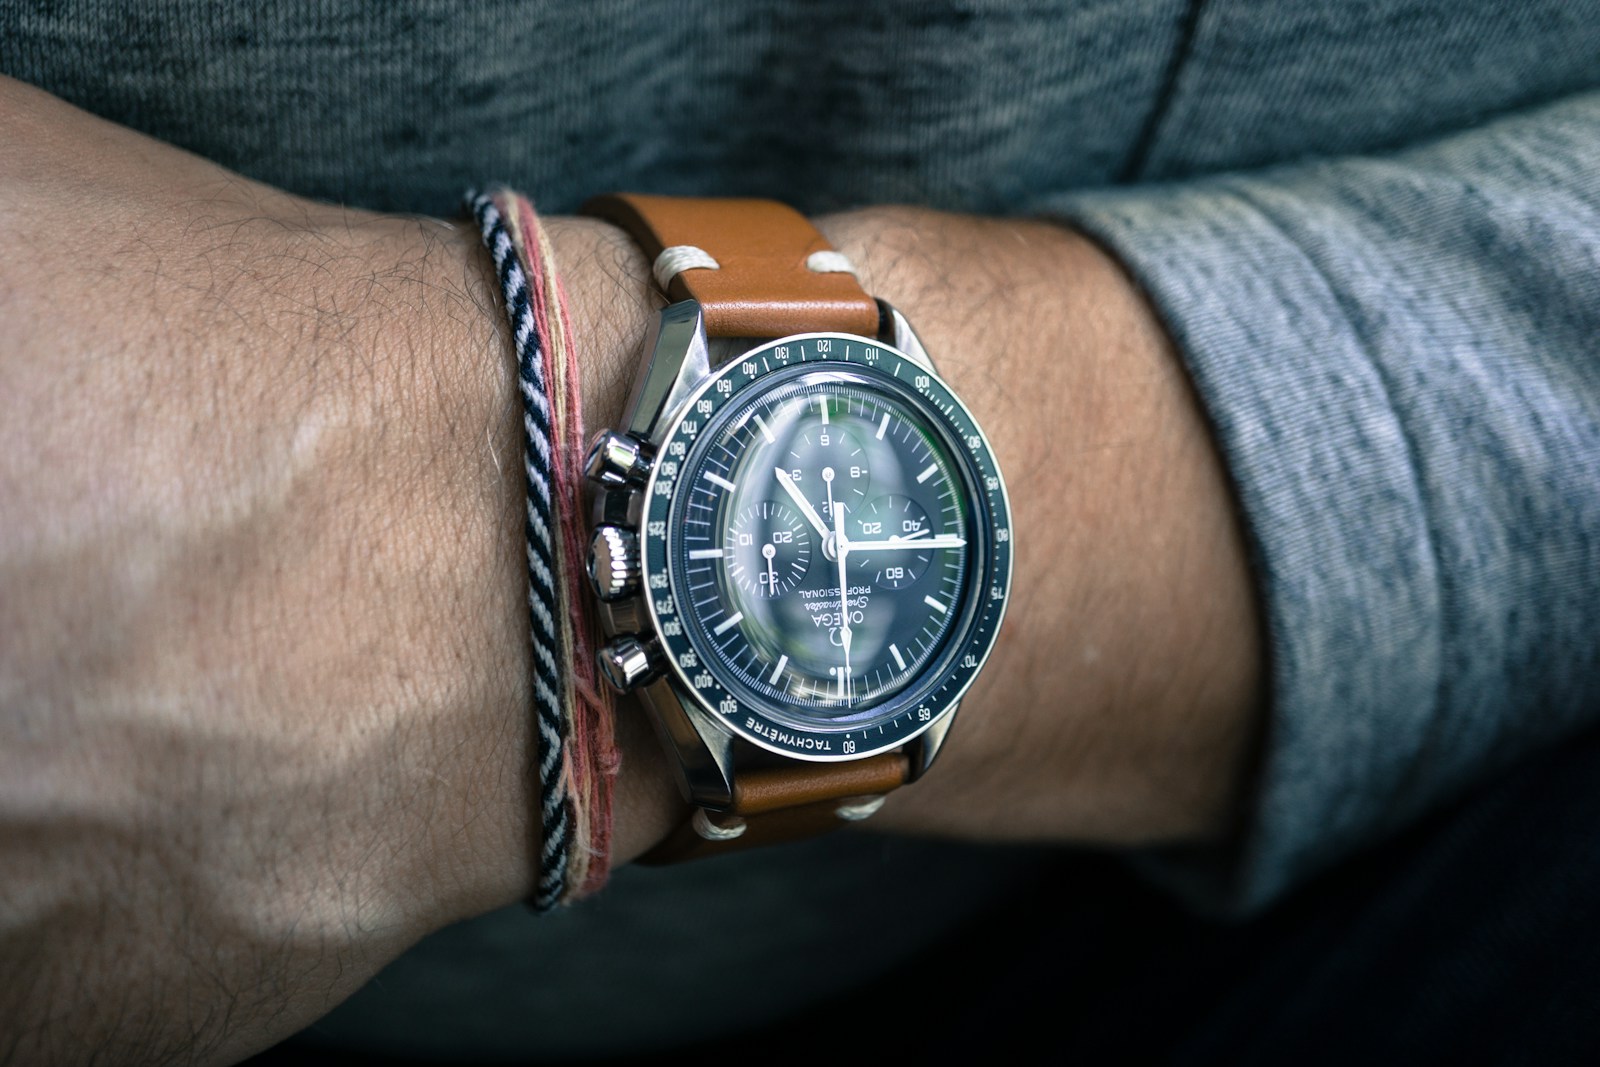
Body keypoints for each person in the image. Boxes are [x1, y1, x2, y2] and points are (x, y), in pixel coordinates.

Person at [0, 2, 1596, 1063]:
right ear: (629, 582)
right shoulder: (694, 554)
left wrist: (476, 527)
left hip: (1350, 819)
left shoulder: (690, 600)